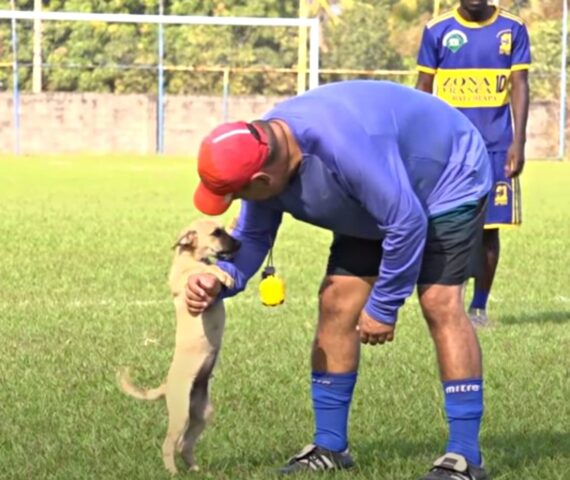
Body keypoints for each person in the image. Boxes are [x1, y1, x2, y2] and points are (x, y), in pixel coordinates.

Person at [186, 80, 492, 480]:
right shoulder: (263, 157)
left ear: (260, 181)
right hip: (378, 196)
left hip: (446, 177)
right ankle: (330, 445)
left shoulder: (341, 148)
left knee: (439, 303)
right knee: (337, 303)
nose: (237, 202)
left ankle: (465, 457)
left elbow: (406, 221)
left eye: (236, 194)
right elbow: (254, 237)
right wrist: (221, 277)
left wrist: (384, 306)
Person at [416, 0, 531, 328]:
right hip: (449, 148)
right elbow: (423, 89)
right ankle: (449, 303)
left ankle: (478, 309)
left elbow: (520, 86)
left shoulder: (512, 29)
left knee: (488, 230)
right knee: (448, 225)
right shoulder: (437, 30)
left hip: (495, 146)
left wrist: (518, 142)